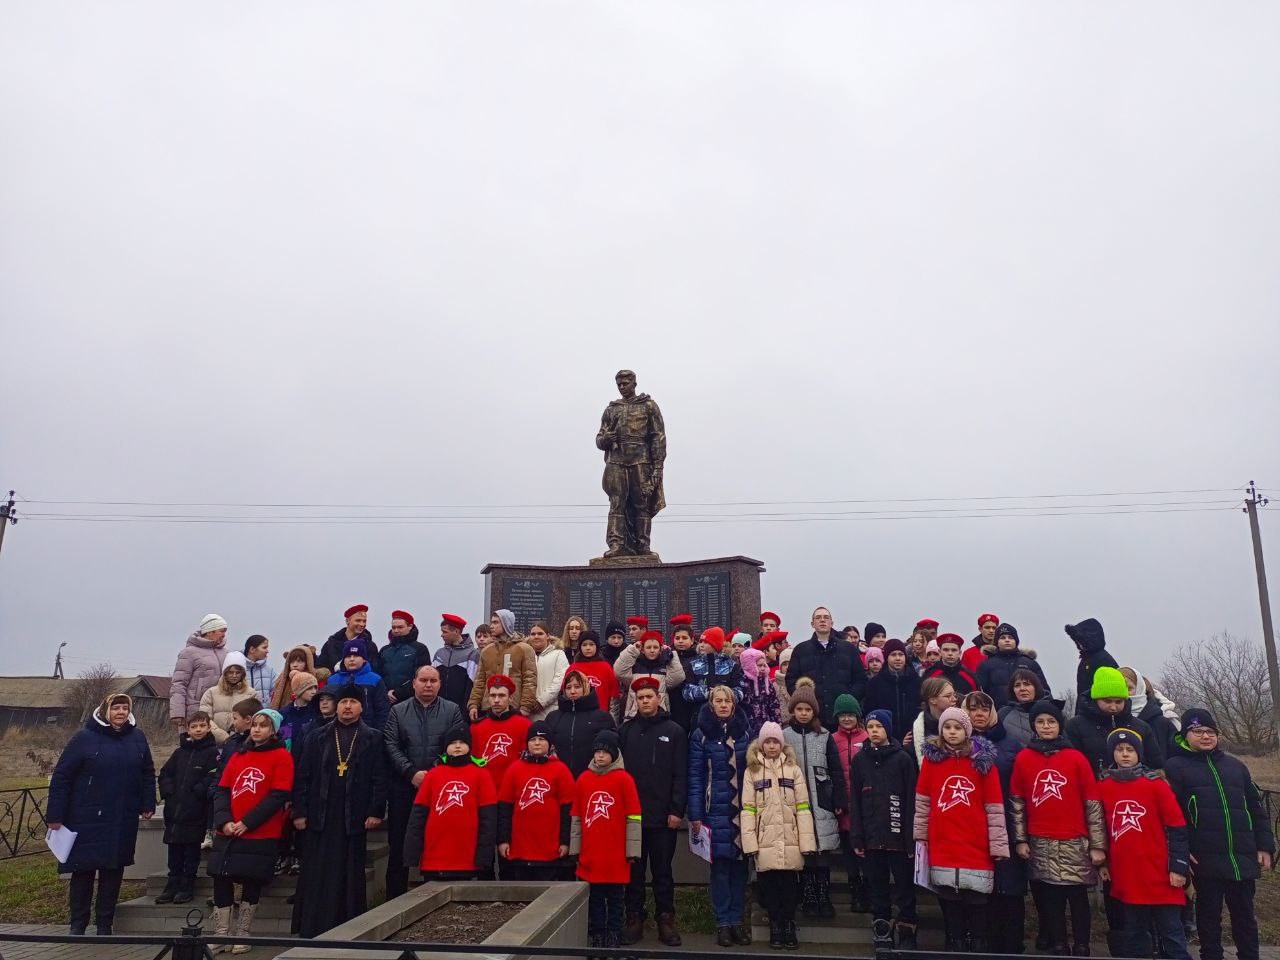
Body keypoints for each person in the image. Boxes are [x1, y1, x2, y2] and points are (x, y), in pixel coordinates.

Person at [1165, 709, 1275, 960]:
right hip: (1204, 858)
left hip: (1241, 855)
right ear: (1185, 734)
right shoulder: (1175, 767)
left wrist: (1264, 845)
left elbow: (1255, 808)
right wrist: (1180, 854)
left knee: (1245, 916)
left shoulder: (1235, 766)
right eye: (1198, 731)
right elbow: (1172, 817)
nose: (1205, 736)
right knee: (1208, 916)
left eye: (1210, 732)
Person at [49, 693, 157, 936]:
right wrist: (55, 814)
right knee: (83, 871)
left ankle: (104, 925)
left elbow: (147, 772)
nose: (120, 712)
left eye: (124, 708)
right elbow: (62, 777)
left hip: (120, 816)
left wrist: (147, 802)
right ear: (105, 711)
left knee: (113, 870)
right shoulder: (84, 738)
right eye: (115, 708)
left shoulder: (137, 737)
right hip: (85, 817)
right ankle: (78, 924)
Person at [1010, 701, 1106, 957]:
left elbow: (1093, 804)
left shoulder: (1076, 758)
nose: (1046, 726)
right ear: (1034, 726)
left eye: (1051, 722)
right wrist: (1021, 840)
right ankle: (1059, 943)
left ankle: (1082, 944)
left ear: (1059, 725)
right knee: (1050, 898)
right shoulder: (1023, 758)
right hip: (1040, 839)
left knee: (1077, 898)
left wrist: (1098, 845)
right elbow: (1017, 802)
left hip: (1075, 838)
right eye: (1040, 722)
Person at [290, 684, 386, 936]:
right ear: (336, 706)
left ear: (361, 707)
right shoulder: (317, 736)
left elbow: (379, 777)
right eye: (343, 702)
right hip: (319, 815)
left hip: (352, 817)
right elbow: (302, 776)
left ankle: (348, 928)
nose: (347, 707)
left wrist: (376, 811)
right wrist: (299, 812)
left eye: (353, 702)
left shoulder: (373, 737)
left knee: (349, 874)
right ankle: (311, 927)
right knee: (316, 872)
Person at [913, 706, 1009, 952]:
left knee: (976, 899)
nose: (952, 732)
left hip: (976, 842)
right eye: (947, 727)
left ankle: (977, 943)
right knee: (948, 898)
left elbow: (994, 807)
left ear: (966, 731)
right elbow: (923, 804)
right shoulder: (931, 763)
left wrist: (998, 844)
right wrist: (920, 838)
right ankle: (953, 941)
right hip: (943, 840)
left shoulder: (983, 763)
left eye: (957, 727)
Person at [1097, 728, 1192, 960]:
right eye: (1120, 750)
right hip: (1127, 875)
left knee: (1171, 933)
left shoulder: (1156, 785)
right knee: (1135, 934)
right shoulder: (1103, 787)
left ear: (1139, 753)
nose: (1125, 754)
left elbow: (1177, 827)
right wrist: (1103, 862)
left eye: (1130, 749)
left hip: (1161, 874)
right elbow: (1099, 829)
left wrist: (1178, 867)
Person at [207, 707, 294, 954]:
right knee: (221, 877)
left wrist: (248, 822)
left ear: (273, 730)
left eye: (263, 725)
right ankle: (221, 933)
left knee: (251, 880)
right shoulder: (239, 755)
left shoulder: (281, 756)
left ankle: (243, 932)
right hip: (229, 829)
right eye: (255, 724)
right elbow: (223, 789)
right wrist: (224, 820)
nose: (257, 729)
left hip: (259, 830)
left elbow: (278, 794)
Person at [617, 677, 687, 947]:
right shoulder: (625, 731)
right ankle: (634, 918)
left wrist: (676, 810)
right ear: (635, 701)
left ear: (658, 698)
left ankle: (665, 919)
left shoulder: (675, 731)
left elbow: (680, 774)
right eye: (641, 697)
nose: (645, 701)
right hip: (632, 817)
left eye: (649, 696)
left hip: (663, 817)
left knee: (662, 872)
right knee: (633, 873)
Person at [382, 665, 463, 898]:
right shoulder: (398, 711)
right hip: (404, 787)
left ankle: (436, 894)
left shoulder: (452, 710)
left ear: (440, 684)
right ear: (414, 682)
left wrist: (435, 774)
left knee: (438, 842)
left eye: (433, 680)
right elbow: (390, 744)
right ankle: (393, 899)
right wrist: (411, 773)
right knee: (398, 845)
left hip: (440, 788)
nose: (428, 685)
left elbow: (456, 744)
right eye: (424, 680)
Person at [742, 720, 818, 950]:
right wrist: (750, 842)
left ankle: (788, 924)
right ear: (761, 745)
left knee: (789, 887)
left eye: (776, 741)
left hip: (790, 839)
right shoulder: (752, 771)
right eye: (768, 742)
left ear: (782, 744)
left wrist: (807, 841)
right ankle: (775, 925)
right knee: (769, 887)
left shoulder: (793, 770)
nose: (772, 746)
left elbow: (803, 807)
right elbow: (748, 809)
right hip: (765, 840)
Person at [848, 709, 918, 951]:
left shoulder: (903, 759)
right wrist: (857, 835)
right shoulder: (859, 760)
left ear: (887, 729)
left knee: (904, 889)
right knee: (877, 888)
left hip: (899, 839)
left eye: (879, 726)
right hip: (871, 837)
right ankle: (882, 931)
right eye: (870, 726)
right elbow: (854, 801)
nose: (874, 730)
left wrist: (911, 839)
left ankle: (907, 932)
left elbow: (911, 800)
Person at [963, 691, 1027, 954]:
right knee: (981, 891)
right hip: (972, 827)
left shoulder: (1011, 745)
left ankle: (1012, 946)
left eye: (983, 709)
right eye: (973, 709)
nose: (978, 714)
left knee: (1009, 890)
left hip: (1007, 826)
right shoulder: (958, 743)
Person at [688, 686, 752, 947]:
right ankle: (723, 923)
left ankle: (737, 921)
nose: (723, 705)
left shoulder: (746, 734)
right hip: (714, 812)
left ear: (734, 705)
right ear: (711, 705)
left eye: (728, 701)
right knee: (720, 870)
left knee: (740, 870)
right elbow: (695, 776)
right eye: (718, 701)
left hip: (741, 812)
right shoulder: (701, 735)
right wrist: (695, 814)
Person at [571, 730, 643, 952]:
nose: (600, 756)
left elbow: (634, 817)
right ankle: (597, 934)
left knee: (615, 898)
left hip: (616, 854)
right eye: (597, 752)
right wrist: (576, 849)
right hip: (591, 853)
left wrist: (632, 851)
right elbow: (577, 817)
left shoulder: (624, 779)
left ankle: (614, 933)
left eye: (605, 752)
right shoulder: (583, 779)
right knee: (594, 898)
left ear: (614, 754)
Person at [784, 681, 847, 918]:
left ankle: (823, 895)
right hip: (796, 803)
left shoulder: (824, 736)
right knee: (805, 851)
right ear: (793, 710)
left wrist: (838, 799)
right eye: (799, 709)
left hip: (822, 800)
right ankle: (808, 895)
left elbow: (836, 769)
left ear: (814, 711)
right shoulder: (784, 735)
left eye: (807, 710)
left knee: (822, 850)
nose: (803, 713)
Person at [403, 725, 497, 881]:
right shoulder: (433, 775)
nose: (458, 746)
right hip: (435, 855)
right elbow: (418, 817)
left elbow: (488, 819)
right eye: (453, 743)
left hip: (467, 855)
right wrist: (412, 853)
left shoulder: (482, 775)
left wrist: (484, 856)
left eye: (462, 742)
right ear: (446, 747)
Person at [497, 721, 575, 880]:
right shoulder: (514, 769)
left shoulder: (561, 770)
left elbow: (569, 810)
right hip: (520, 849)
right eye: (532, 740)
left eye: (541, 739)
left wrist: (566, 842)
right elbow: (505, 809)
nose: (537, 743)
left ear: (550, 743)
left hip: (551, 850)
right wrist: (503, 840)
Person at [156, 710, 219, 905]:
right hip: (175, 812)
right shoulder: (179, 752)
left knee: (191, 853)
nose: (198, 730)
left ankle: (186, 885)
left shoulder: (212, 753)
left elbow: (214, 775)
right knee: (174, 852)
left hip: (195, 812)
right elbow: (165, 773)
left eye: (202, 726)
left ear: (209, 727)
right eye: (194, 726)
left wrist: (198, 791)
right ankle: (172, 883)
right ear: (188, 729)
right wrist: (168, 791)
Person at [1066, 666, 1161, 776]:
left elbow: (1155, 764)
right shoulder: (1076, 726)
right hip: (1093, 788)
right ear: (1096, 699)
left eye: (1118, 702)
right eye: (1108, 701)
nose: (1113, 707)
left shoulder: (1141, 727)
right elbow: (1071, 765)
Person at [785, 606, 867, 728]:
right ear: (812, 624)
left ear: (831, 623)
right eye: (818, 618)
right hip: (813, 718)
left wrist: (848, 701)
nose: (822, 620)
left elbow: (860, 680)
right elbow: (791, 680)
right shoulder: (801, 650)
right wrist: (805, 702)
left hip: (843, 717)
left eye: (826, 617)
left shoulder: (848, 649)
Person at [830, 694, 869, 913]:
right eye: (843, 715)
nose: (846, 719)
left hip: (864, 806)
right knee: (849, 854)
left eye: (850, 715)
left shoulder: (867, 737)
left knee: (866, 853)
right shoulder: (832, 739)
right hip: (844, 805)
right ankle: (855, 892)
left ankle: (867, 891)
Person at [468, 610, 538, 720]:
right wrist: (473, 704)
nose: (491, 626)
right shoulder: (486, 651)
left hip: (514, 707)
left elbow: (530, 680)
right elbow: (479, 681)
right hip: (488, 708)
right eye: (491, 622)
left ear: (506, 624)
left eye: (496, 623)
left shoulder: (524, 649)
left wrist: (525, 706)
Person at [545, 669, 616, 777]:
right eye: (568, 687)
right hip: (559, 778)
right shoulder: (553, 717)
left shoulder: (602, 717)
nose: (572, 691)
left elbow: (611, 749)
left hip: (592, 777)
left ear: (586, 688)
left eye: (577, 687)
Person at [471, 675, 532, 801]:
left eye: (501, 695)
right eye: (493, 696)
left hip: (514, 792)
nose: (496, 700)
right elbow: (473, 762)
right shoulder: (476, 728)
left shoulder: (525, 725)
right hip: (485, 793)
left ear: (510, 698)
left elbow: (527, 762)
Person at [171, 613, 230, 733]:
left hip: (219, 709)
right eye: (221, 630)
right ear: (210, 631)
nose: (224, 634)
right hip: (195, 709)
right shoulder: (189, 653)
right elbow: (179, 683)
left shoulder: (226, 653)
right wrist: (178, 712)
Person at [614, 629, 685, 719]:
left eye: (655, 647)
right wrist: (632, 650)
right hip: (635, 714)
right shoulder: (635, 665)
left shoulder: (665, 665)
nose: (652, 650)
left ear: (660, 649)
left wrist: (672, 655)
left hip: (660, 714)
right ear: (642, 649)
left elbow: (678, 677)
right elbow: (619, 671)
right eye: (648, 647)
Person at [977, 624, 1050, 709]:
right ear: (997, 642)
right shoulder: (986, 665)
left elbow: (1044, 690)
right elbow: (981, 693)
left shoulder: (1030, 663)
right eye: (1003, 638)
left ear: (1016, 641)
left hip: (1029, 712)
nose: (1007, 640)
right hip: (998, 713)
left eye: (1010, 637)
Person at [862, 638, 922, 741]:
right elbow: (870, 712)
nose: (898, 658)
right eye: (893, 655)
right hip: (885, 739)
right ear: (886, 657)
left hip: (912, 738)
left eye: (901, 654)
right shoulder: (875, 683)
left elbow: (920, 710)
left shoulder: (916, 681)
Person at [1118, 665, 1180, 758]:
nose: (1125, 693)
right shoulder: (1107, 719)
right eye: (1120, 688)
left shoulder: (1162, 722)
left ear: (1140, 688)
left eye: (1129, 688)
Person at [327, 639, 391, 729]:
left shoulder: (375, 679)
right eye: (348, 656)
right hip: (337, 730)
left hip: (368, 730)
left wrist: (378, 733)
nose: (352, 659)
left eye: (356, 656)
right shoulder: (333, 680)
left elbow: (382, 710)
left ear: (364, 659)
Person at [1064, 618, 1118, 714]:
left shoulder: (1103, 660)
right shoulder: (1086, 659)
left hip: (1097, 714)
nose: (1078, 643)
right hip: (1086, 711)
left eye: (1081, 640)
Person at [200, 653, 255, 744]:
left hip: (243, 742)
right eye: (230, 672)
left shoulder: (252, 694)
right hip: (215, 743)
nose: (234, 675)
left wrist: (242, 736)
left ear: (243, 674)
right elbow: (205, 718)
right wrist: (223, 737)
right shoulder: (211, 693)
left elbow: (254, 719)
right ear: (225, 673)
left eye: (238, 672)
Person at [683, 626, 744, 707]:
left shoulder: (731, 665)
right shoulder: (693, 665)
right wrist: (707, 692)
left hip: (726, 712)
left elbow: (739, 692)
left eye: (706, 642)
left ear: (716, 645)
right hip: (700, 713)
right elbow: (686, 691)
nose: (701, 645)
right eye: (701, 642)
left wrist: (720, 694)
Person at [565, 630, 622, 714]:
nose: (588, 648)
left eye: (591, 644)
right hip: (577, 716)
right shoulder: (572, 668)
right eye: (584, 645)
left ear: (597, 646)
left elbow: (614, 698)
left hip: (601, 716)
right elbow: (565, 694)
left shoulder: (606, 668)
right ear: (580, 647)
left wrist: (612, 721)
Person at [381, 610, 432, 705]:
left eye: (400, 627)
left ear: (410, 627)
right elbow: (378, 673)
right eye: (393, 627)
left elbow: (421, 676)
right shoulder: (385, 650)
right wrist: (385, 692)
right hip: (385, 700)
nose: (396, 630)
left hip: (411, 701)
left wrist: (398, 693)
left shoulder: (420, 649)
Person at [433, 614, 477, 712]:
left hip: (460, 711)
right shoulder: (439, 654)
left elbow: (473, 686)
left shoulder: (472, 654)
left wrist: (465, 711)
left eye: (445, 632)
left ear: (456, 631)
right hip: (438, 710)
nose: (442, 635)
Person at [527, 621, 570, 721]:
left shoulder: (558, 654)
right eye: (533, 634)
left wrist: (541, 702)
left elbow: (560, 680)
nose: (536, 636)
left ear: (548, 636)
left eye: (540, 633)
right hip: (527, 713)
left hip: (550, 712)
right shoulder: (524, 655)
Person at [317, 604, 378, 674]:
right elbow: (320, 667)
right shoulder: (331, 644)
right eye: (358, 620)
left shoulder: (370, 646)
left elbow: (374, 670)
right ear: (347, 621)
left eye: (364, 621)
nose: (362, 624)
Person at [998, 667, 1050, 747]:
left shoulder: (1052, 710)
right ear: (1013, 690)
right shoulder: (1003, 714)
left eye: (1027, 684)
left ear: (1036, 687)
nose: (1022, 689)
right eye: (1017, 685)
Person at [910, 677, 957, 763]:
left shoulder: (962, 721)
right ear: (933, 700)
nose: (954, 699)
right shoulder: (919, 727)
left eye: (954, 695)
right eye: (948, 696)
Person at [278, 673, 321, 754]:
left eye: (315, 688)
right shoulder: (283, 714)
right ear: (299, 690)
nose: (314, 692)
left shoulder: (318, 713)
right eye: (309, 688)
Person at [269, 645, 317, 711]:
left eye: (299, 661)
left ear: (307, 662)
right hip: (283, 715)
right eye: (292, 662)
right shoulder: (282, 680)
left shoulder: (314, 679)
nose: (295, 665)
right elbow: (274, 697)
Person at [243, 635, 277, 703]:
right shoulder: (238, 670)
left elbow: (275, 694)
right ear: (252, 649)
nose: (267, 651)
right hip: (242, 712)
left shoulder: (270, 671)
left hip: (264, 712)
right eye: (264, 648)